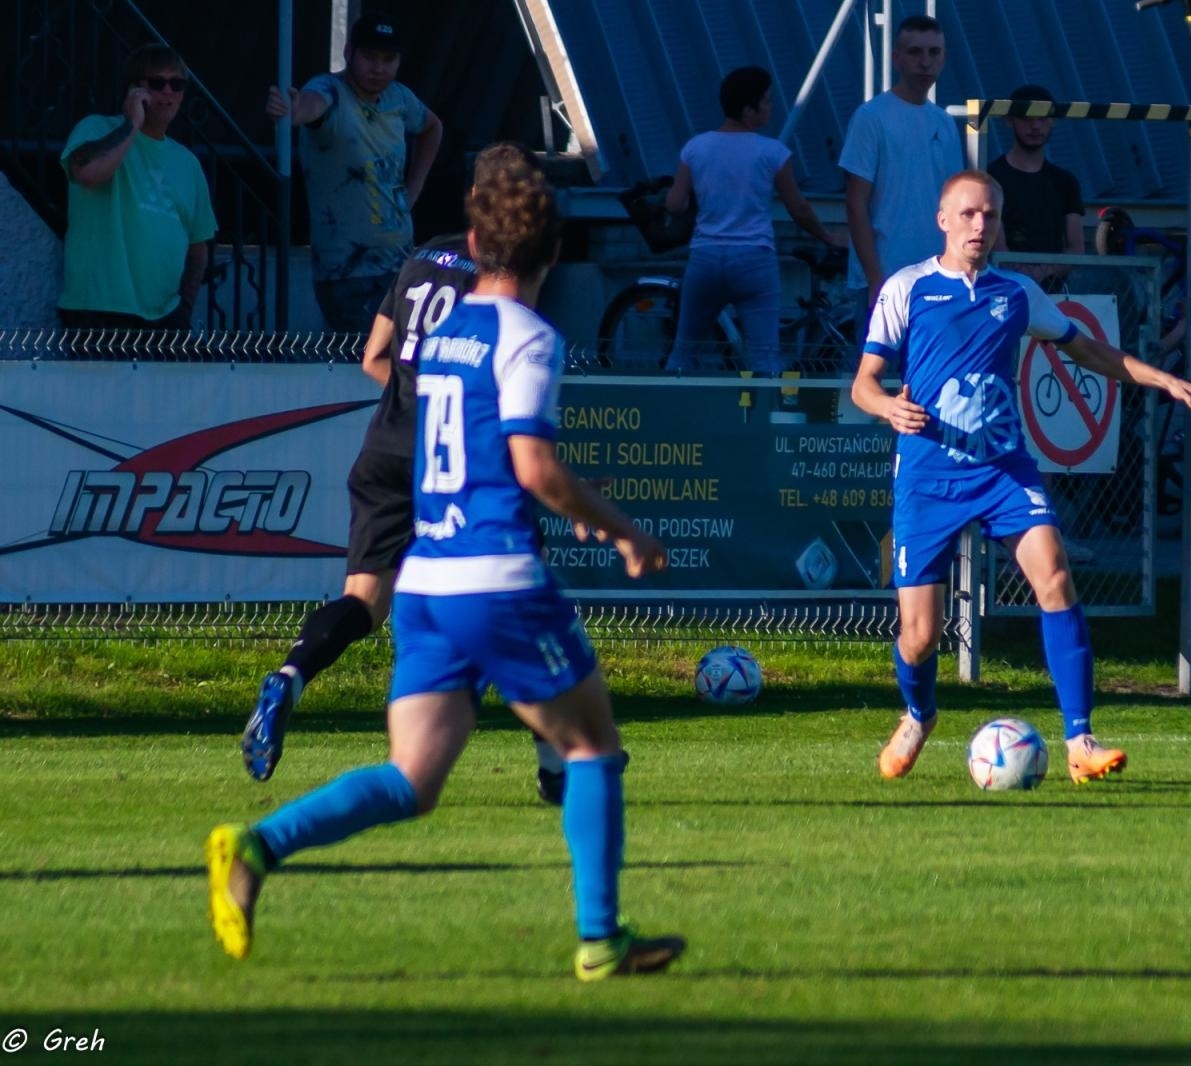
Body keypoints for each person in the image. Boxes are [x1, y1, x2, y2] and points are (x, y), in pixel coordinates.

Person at [207, 143, 685, 980]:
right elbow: (532, 468)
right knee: (592, 748)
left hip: (426, 579)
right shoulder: (531, 337)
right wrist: (622, 530)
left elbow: (477, 455)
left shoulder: (447, 333)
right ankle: (601, 938)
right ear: (553, 253)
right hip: (495, 579)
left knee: (414, 780)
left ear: (473, 243)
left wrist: (568, 497)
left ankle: (256, 846)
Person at [849, 171, 1191, 783]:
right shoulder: (907, 288)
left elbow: (1088, 350)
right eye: (968, 214)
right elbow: (862, 383)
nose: (979, 225)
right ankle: (918, 714)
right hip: (928, 474)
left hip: (1003, 467)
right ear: (943, 220)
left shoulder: (1017, 293)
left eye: (990, 215)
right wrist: (887, 406)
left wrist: (1165, 380)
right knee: (919, 636)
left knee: (1055, 575)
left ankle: (1080, 740)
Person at [266, 12, 443, 333]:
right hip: (346, 274)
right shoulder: (329, 89)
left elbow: (432, 128)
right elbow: (310, 105)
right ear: (349, 52)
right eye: (369, 57)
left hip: (400, 265)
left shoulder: (399, 97)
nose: (378, 68)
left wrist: (414, 188)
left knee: (400, 358)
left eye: (388, 59)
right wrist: (292, 109)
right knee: (360, 359)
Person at [663, 66, 844, 373]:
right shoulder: (773, 153)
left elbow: (674, 204)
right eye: (767, 101)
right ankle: (763, 404)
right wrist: (828, 236)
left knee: (684, 349)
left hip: (706, 257)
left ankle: (668, 399)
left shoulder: (695, 148)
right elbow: (799, 209)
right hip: (754, 259)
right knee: (764, 356)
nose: (771, 107)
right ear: (749, 110)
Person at [58, 44, 215, 331]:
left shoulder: (188, 163)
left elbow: (198, 246)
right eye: (157, 83)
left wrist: (184, 307)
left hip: (165, 316)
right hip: (98, 311)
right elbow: (87, 172)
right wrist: (132, 124)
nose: (168, 92)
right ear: (134, 89)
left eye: (177, 84)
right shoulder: (96, 128)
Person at [839, 15, 964, 344]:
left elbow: (956, 205)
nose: (925, 62)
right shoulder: (871, 117)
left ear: (944, 58)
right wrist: (874, 279)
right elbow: (855, 203)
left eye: (934, 52)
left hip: (938, 279)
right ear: (896, 58)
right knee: (875, 373)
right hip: (886, 279)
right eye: (915, 52)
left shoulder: (945, 123)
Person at [987, 84, 1085, 292]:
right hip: (1004, 291)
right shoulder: (991, 179)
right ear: (1009, 120)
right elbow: (998, 248)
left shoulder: (1065, 182)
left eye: (1042, 118)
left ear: (1053, 120)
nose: (1035, 126)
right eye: (1026, 118)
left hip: (1054, 295)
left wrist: (1043, 272)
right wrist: (1025, 276)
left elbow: (1076, 248)